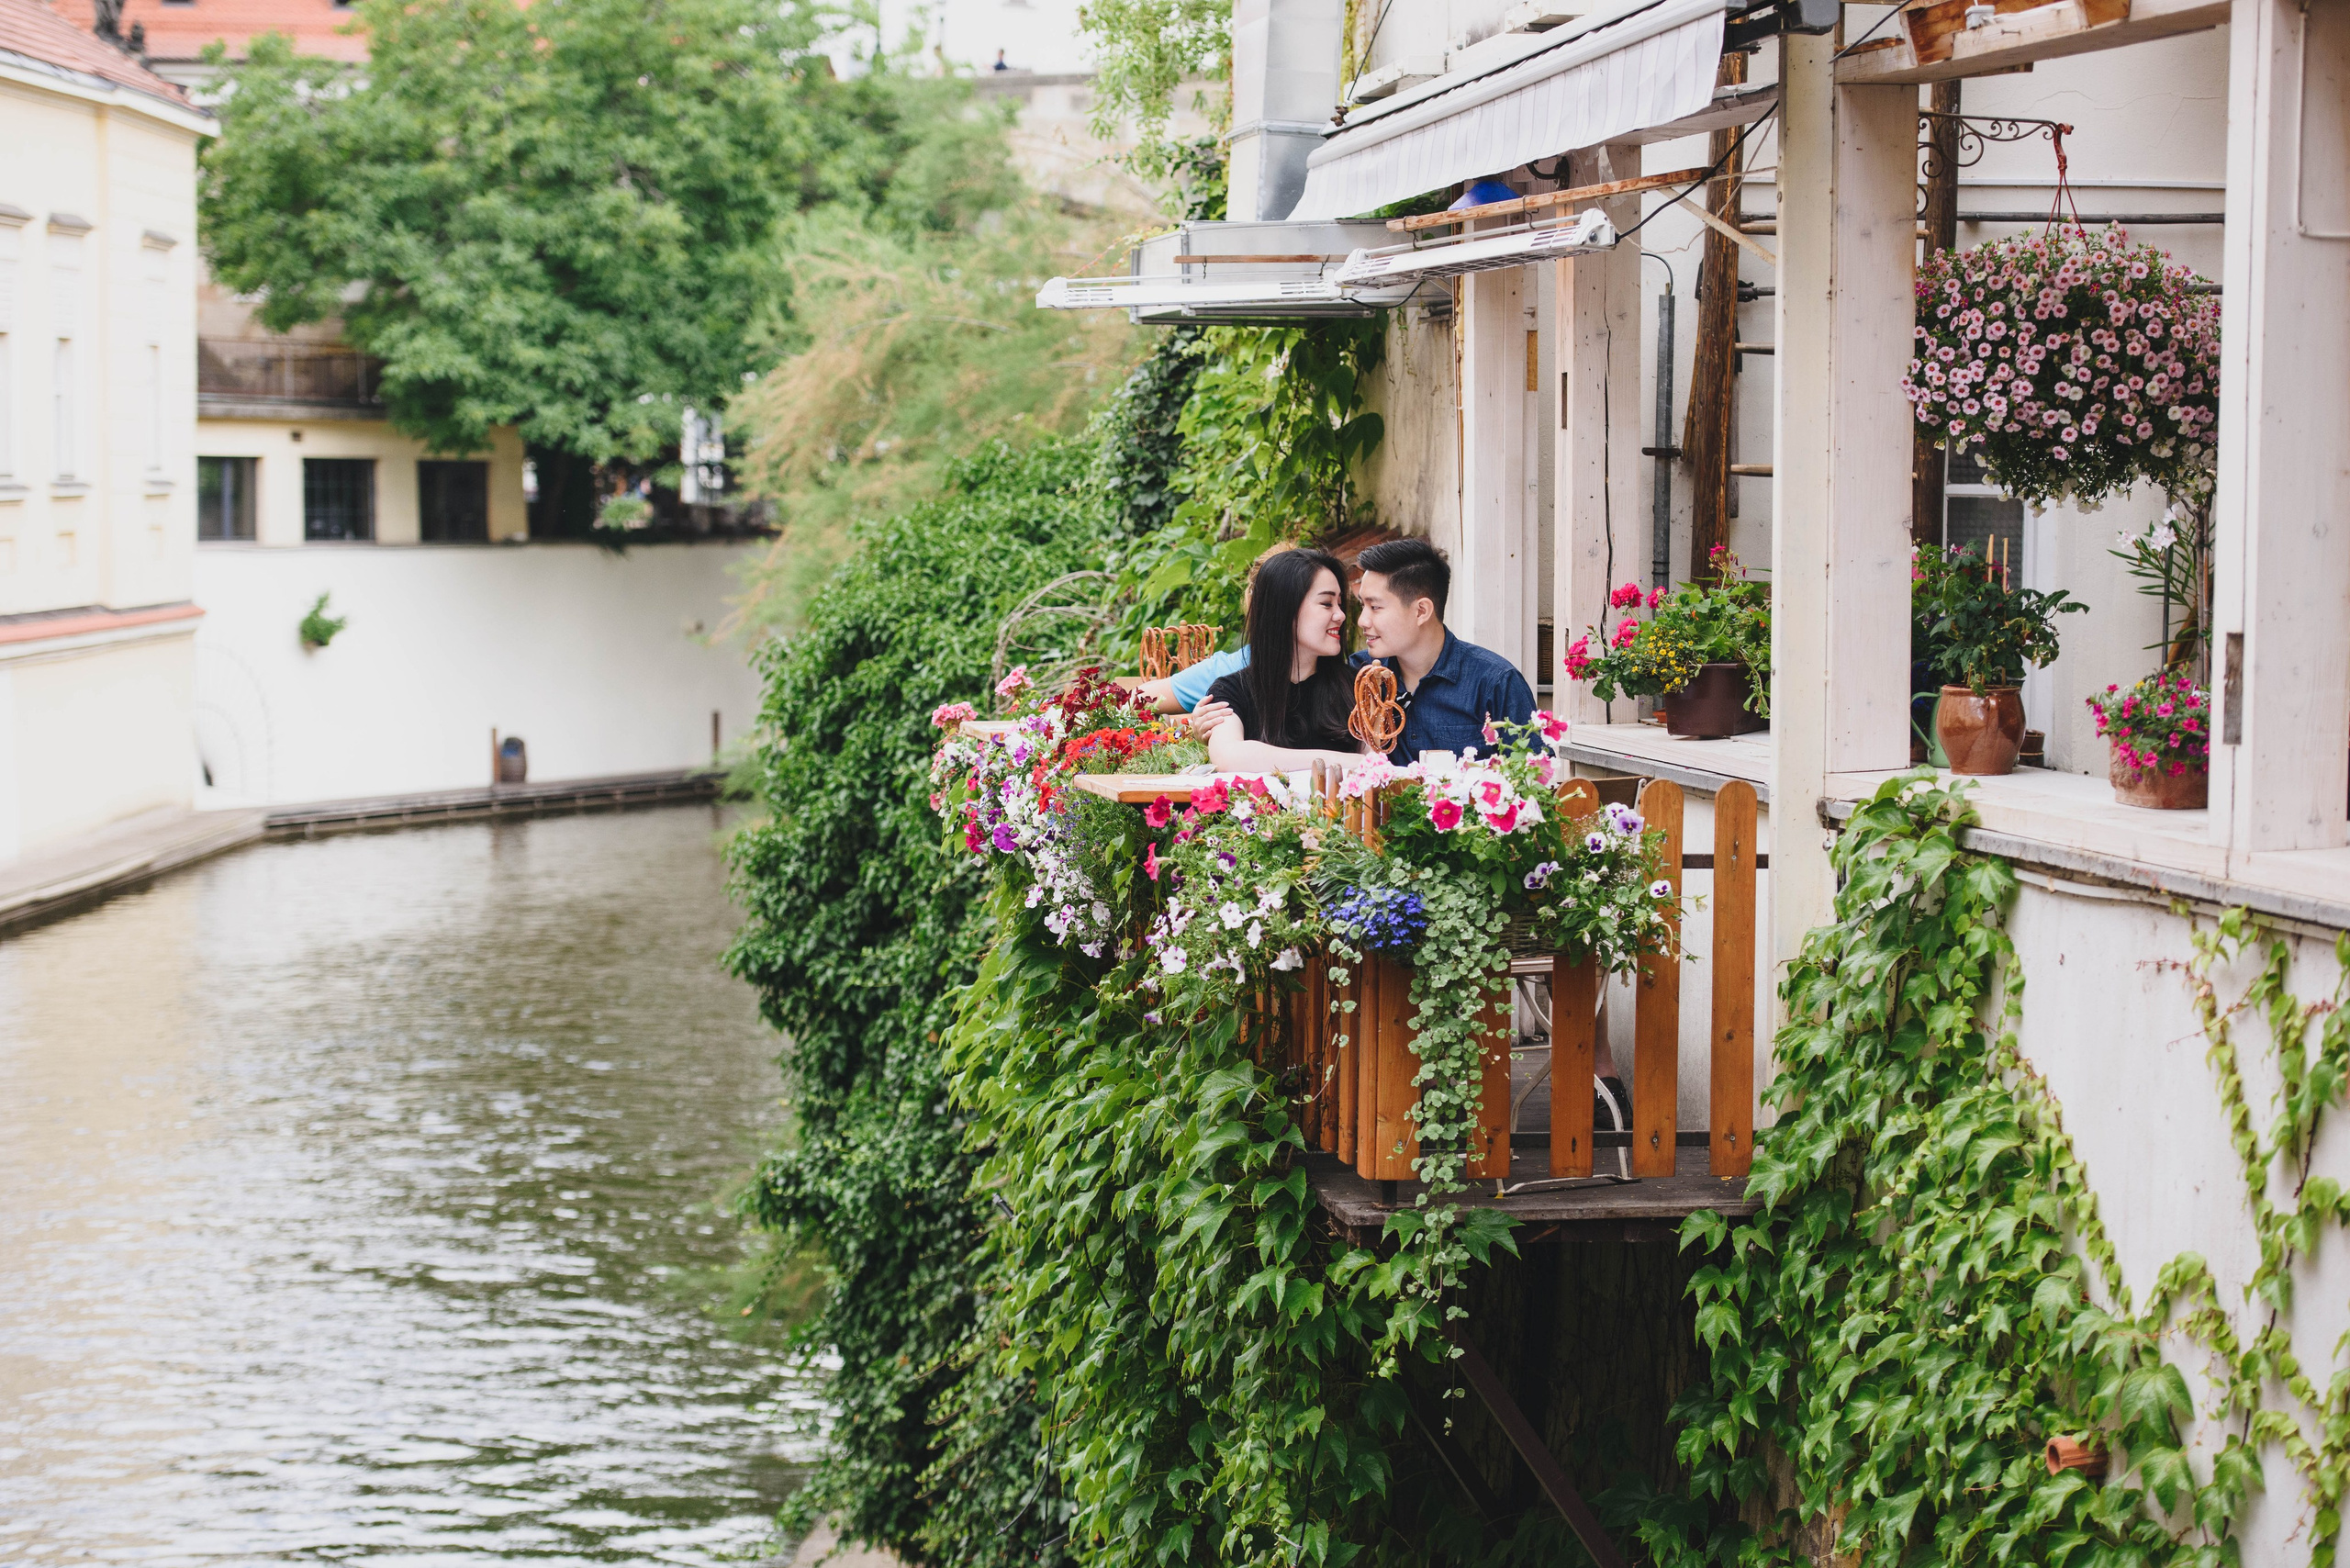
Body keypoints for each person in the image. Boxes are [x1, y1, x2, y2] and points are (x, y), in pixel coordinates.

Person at [1350, 537, 1536, 764]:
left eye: (1375, 607)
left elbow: (1533, 776)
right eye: (1363, 605)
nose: (1362, 620)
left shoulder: (1495, 683)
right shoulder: (1359, 675)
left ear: (1421, 611)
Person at [1201, 548, 1364, 774]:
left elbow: (1376, 765)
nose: (1340, 615)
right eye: (1327, 603)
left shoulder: (1358, 688)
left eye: (1340, 604)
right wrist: (1345, 761)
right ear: (1286, 609)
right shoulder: (1232, 691)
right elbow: (1228, 758)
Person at [1135, 542, 1294, 738]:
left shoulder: (1341, 672)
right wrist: (1187, 734)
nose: (1339, 616)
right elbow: (1133, 699)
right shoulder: (1231, 670)